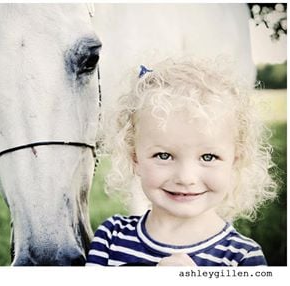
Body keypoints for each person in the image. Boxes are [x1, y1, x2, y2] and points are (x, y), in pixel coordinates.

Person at [86, 57, 278, 266]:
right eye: (164, 156)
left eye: (208, 157)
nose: (186, 178)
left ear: (234, 162)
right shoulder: (111, 238)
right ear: (135, 159)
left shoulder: (242, 258)